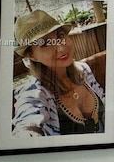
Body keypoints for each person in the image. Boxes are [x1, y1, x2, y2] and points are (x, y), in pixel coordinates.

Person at [12, 9, 105, 137]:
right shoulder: (35, 92)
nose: (61, 48)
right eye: (45, 44)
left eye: (60, 36)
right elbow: (27, 125)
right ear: (31, 56)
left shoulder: (84, 70)